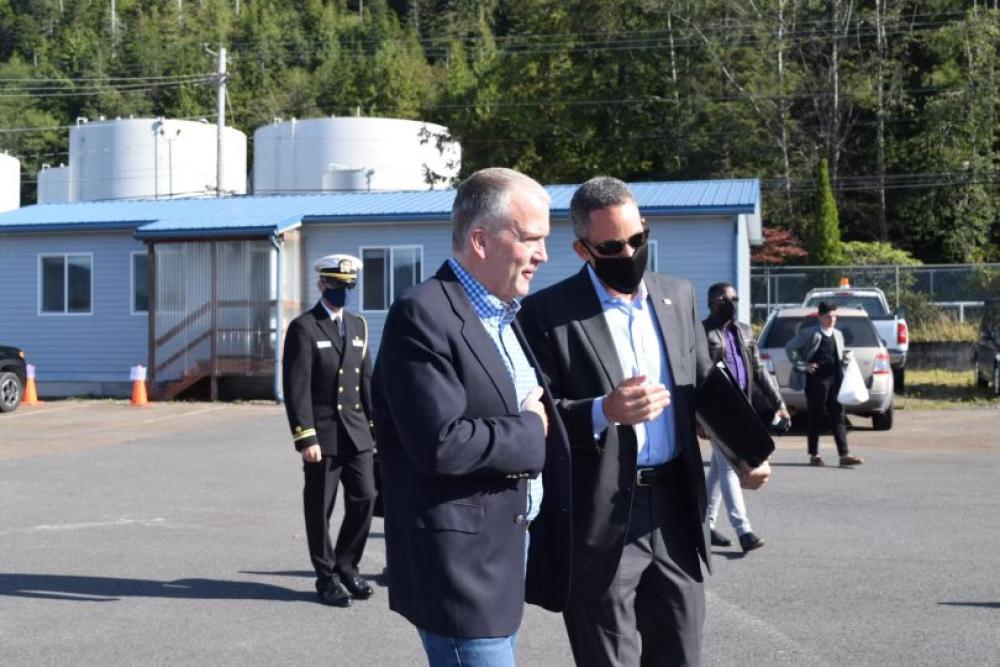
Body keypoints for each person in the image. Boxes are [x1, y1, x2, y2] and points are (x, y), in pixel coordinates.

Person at [519, 176, 770, 666]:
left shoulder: (677, 296)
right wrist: (602, 410)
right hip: (602, 517)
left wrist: (747, 454)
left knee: (683, 654)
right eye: (613, 245)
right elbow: (539, 417)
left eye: (638, 239)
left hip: (676, 508)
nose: (630, 252)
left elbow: (702, 385)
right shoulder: (547, 314)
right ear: (583, 250)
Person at [372, 167, 572, 666]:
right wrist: (533, 432)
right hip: (461, 569)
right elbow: (441, 442)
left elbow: (530, 409)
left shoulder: (505, 316)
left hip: (505, 552)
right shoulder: (422, 314)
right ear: (481, 241)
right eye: (531, 239)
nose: (543, 255)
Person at [281, 254, 377, 607]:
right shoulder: (305, 327)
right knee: (320, 506)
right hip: (322, 437)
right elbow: (297, 387)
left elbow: (366, 381)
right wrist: (305, 436)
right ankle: (326, 577)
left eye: (347, 287)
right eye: (336, 286)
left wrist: (375, 430)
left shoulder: (359, 326)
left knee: (366, 497)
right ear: (322, 284)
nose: (342, 293)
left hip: (356, 433)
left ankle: (347, 565)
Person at [702, 282, 789, 553]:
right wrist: (698, 418)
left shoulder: (744, 331)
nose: (731, 303)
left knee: (719, 468)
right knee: (730, 465)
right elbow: (696, 375)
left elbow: (759, 370)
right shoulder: (701, 333)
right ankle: (744, 531)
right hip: (717, 410)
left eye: (735, 298)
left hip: (743, 407)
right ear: (712, 303)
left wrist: (780, 404)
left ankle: (704, 524)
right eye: (726, 299)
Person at [784, 301, 864, 467]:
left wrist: (847, 357)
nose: (832, 320)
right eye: (828, 316)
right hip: (816, 382)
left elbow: (839, 354)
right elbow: (790, 347)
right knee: (815, 416)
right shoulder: (810, 333)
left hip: (836, 380)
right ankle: (814, 455)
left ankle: (844, 454)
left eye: (834, 316)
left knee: (839, 416)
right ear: (820, 316)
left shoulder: (838, 334)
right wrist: (803, 365)